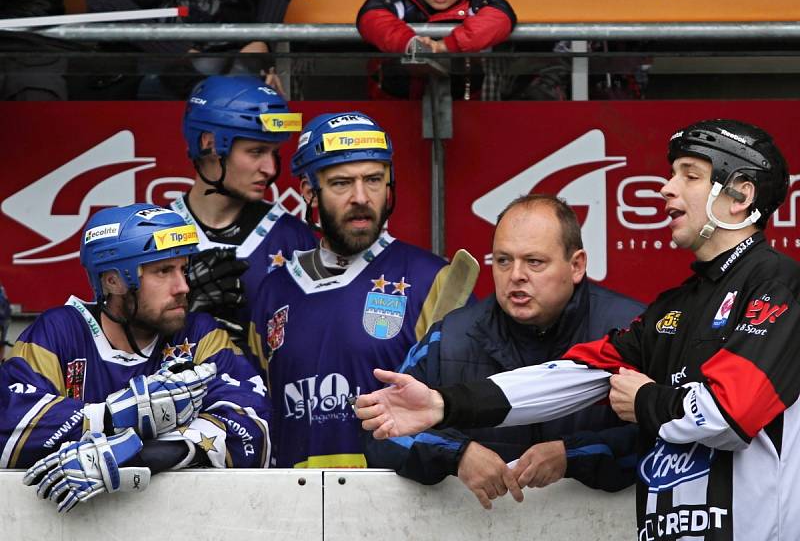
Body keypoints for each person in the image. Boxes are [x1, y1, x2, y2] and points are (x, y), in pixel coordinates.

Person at [356, 119, 799, 540]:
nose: (666, 188)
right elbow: (570, 377)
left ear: (740, 197)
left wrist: (644, 398)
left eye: (690, 175)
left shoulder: (781, 285)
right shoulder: (676, 305)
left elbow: (729, 413)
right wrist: (442, 404)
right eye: (671, 174)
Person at [364, 194, 643, 509]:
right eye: (503, 260)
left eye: (534, 262)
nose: (515, 275)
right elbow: (382, 433)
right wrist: (458, 454)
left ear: (576, 265)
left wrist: (573, 455)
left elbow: (665, 434)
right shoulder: (450, 337)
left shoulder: (632, 332)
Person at [0, 204, 272, 512]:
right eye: (163, 271)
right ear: (112, 281)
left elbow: (253, 426)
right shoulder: (59, 331)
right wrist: (113, 416)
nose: (183, 287)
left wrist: (139, 454)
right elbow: (10, 425)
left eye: (183, 269)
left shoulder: (198, 334)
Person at [248, 111, 452, 468]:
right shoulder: (273, 291)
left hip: (403, 507)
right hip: (294, 507)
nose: (361, 197)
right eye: (342, 183)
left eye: (374, 180)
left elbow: (463, 408)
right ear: (309, 191)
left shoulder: (432, 279)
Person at [173, 75, 317, 339]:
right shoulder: (153, 235)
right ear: (209, 143)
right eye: (256, 151)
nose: (270, 168)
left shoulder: (295, 238)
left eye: (274, 153)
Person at [82, 0, 295, 97]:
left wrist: (260, 40)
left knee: (263, 121)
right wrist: (177, 52)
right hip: (147, 53)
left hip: (233, 49)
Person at [356, 0, 516, 99]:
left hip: (463, 106)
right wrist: (411, 44)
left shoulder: (480, 4)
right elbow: (372, 19)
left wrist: (446, 45)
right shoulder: (393, 1)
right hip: (392, 105)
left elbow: (500, 18)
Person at [0, 282, 10, 361]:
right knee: (2, 341)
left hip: (3, 318)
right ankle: (2, 358)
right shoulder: (2, 290)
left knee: (2, 341)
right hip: (6, 318)